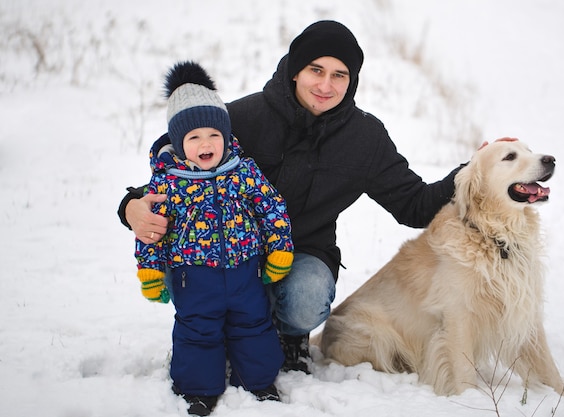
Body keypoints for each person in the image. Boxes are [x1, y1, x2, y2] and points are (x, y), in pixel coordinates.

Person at [119, 20, 465, 374]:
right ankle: (215, 335)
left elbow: (415, 204)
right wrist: (131, 206)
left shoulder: (365, 139)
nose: (326, 85)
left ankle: (290, 335)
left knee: (306, 298)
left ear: (352, 81)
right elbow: (176, 168)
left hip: (303, 254)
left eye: (339, 75)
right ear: (296, 70)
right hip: (229, 251)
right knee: (199, 282)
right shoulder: (241, 117)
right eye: (316, 70)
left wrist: (473, 172)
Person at [134, 61, 294, 416]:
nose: (206, 144)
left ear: (226, 137)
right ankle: (198, 389)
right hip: (194, 276)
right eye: (194, 138)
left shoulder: (242, 170)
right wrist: (150, 270)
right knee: (196, 330)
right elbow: (151, 230)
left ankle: (259, 382)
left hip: (245, 270)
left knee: (253, 324)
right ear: (178, 142)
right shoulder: (168, 183)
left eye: (213, 136)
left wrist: (280, 247)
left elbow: (272, 207)